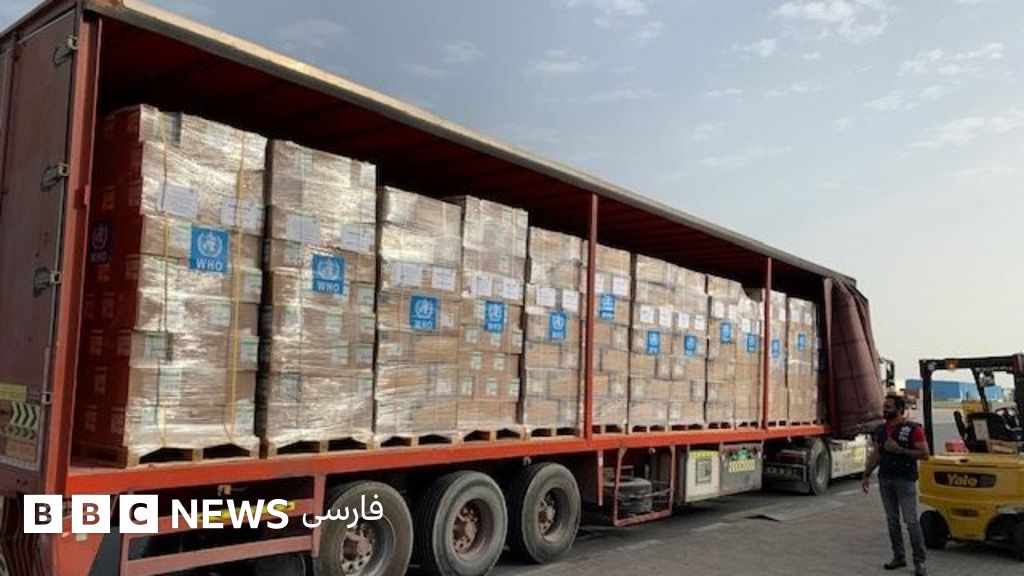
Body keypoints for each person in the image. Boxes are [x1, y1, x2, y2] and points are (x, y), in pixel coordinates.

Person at [863, 394, 931, 576]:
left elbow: (924, 454)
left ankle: (919, 561)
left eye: (889, 407)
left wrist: (900, 450)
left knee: (911, 521)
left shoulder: (913, 429)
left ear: (900, 410)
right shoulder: (881, 430)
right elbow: (877, 454)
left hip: (905, 480)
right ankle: (898, 556)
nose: (885, 410)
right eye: (884, 406)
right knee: (892, 521)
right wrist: (867, 474)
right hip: (885, 479)